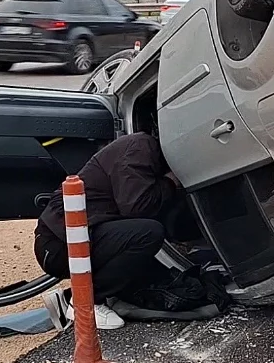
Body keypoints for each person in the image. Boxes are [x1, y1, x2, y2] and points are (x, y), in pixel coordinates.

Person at [34, 131, 179, 330]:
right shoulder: (140, 147)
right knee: (148, 234)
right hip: (59, 244)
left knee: (143, 240)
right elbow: (136, 206)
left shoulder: (138, 148)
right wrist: (170, 182)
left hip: (66, 237)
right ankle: (85, 302)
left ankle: (71, 298)